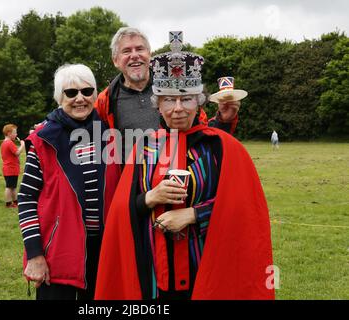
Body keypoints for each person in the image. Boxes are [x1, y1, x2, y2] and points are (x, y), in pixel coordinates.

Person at [95, 35, 274, 300]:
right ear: (158, 104)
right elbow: (123, 210)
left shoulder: (221, 147)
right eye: (168, 100)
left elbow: (244, 207)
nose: (177, 109)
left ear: (199, 102)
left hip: (206, 267)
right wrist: (150, 197)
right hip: (154, 272)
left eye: (187, 99)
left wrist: (194, 214)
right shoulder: (144, 147)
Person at [18, 64, 121, 300]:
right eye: (71, 93)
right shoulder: (44, 140)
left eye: (86, 91)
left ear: (95, 95)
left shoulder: (111, 135)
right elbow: (26, 199)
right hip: (59, 251)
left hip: (106, 252)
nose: (80, 99)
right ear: (59, 97)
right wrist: (34, 254)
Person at [94, 28, 241, 161]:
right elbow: (94, 142)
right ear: (115, 60)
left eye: (140, 49)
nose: (134, 55)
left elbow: (199, 133)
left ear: (149, 55)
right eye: (126, 51)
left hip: (182, 176)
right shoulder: (105, 100)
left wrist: (224, 121)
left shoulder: (176, 87)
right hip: (133, 184)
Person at [1, 124, 25, 208]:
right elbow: (17, 152)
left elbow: (14, 155)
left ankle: (15, 202)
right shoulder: (9, 143)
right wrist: (22, 145)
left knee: (13, 186)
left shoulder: (5, 143)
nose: (16, 134)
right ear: (8, 133)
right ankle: (8, 203)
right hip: (10, 168)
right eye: (15, 133)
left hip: (10, 168)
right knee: (9, 187)